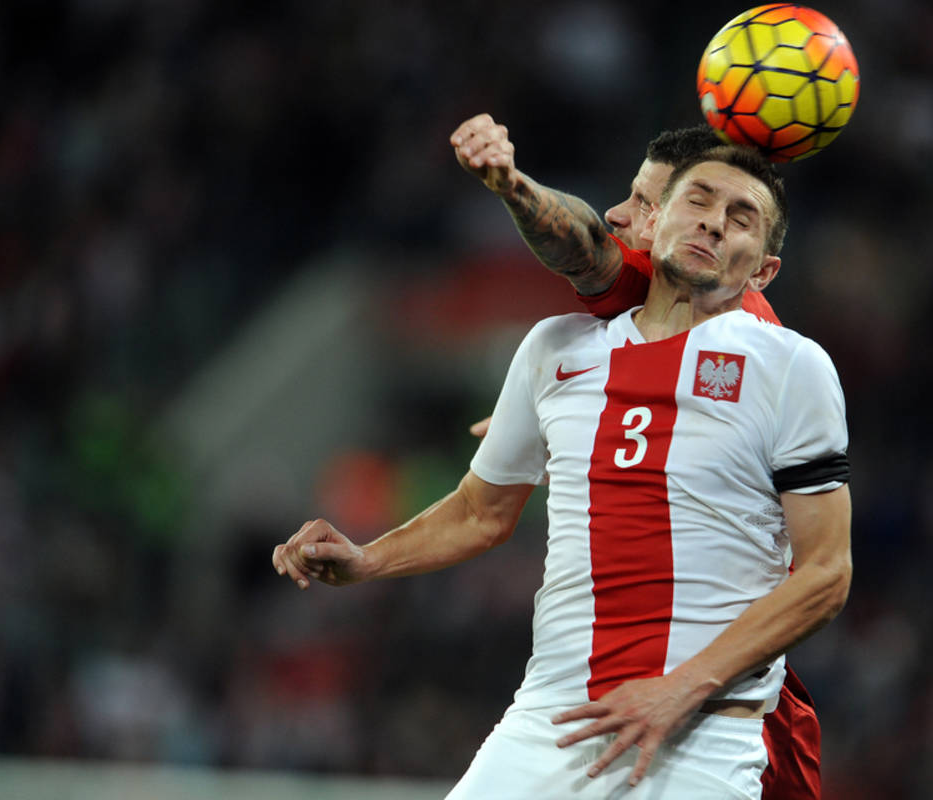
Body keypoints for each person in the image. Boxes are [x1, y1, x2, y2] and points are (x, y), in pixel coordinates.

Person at [274, 144, 852, 798]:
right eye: (696, 201)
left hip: (700, 731)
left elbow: (827, 574)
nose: (713, 222)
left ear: (766, 271)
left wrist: (678, 689)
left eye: (740, 217)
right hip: (549, 720)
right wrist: (367, 560)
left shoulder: (789, 368)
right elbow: (479, 512)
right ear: (659, 219)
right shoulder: (555, 349)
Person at [452, 113, 824, 798]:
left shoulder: (730, 324)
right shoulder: (633, 335)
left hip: (723, 697)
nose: (620, 214)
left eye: (644, 201)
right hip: (599, 698)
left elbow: (586, 248)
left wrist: (512, 185)